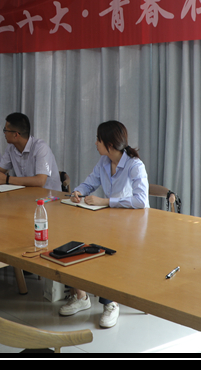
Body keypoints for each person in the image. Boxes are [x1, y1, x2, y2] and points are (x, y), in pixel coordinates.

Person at [61, 120, 149, 328]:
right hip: (108, 220)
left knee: (107, 251)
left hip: (131, 226)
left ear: (109, 144)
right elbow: (90, 182)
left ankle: (111, 303)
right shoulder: (104, 161)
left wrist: (106, 201)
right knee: (73, 240)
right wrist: (78, 192)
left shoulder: (135, 165)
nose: (95, 143)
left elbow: (141, 200)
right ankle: (81, 296)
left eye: (98, 140)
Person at [0, 112, 61, 191]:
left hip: (48, 195)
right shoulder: (11, 148)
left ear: (16, 135)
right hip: (26, 193)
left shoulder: (41, 148)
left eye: (5, 130)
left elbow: (40, 181)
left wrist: (7, 179)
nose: (4, 133)